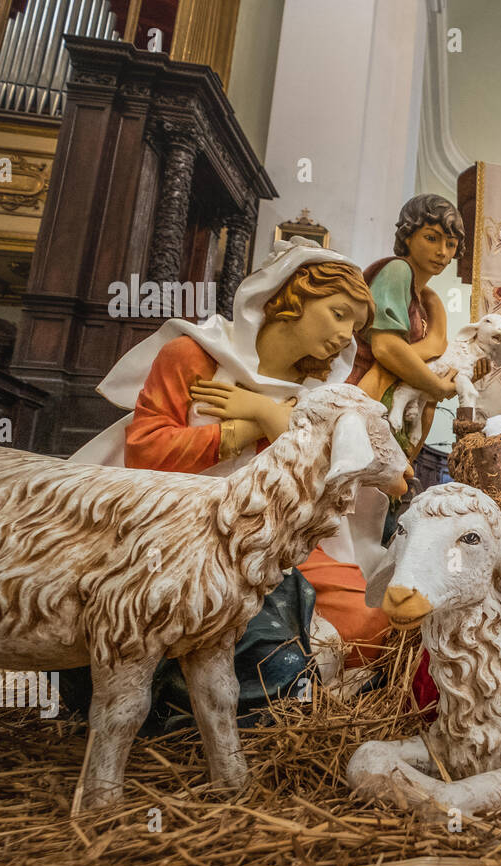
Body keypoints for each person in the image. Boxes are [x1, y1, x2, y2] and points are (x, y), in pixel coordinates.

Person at [73, 238, 400, 683]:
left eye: (355, 327)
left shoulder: (317, 394)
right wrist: (242, 429)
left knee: (371, 625)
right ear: (290, 295)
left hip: (283, 542)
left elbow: (345, 475)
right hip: (180, 528)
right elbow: (147, 452)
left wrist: (265, 411)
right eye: (338, 313)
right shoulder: (193, 356)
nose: (346, 336)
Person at [353, 193, 489, 460]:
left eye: (450, 244)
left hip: (395, 408)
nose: (442, 252)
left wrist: (462, 374)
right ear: (407, 236)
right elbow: (386, 347)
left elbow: (433, 358)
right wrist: (438, 387)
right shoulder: (397, 270)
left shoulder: (429, 300)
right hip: (366, 393)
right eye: (431, 238)